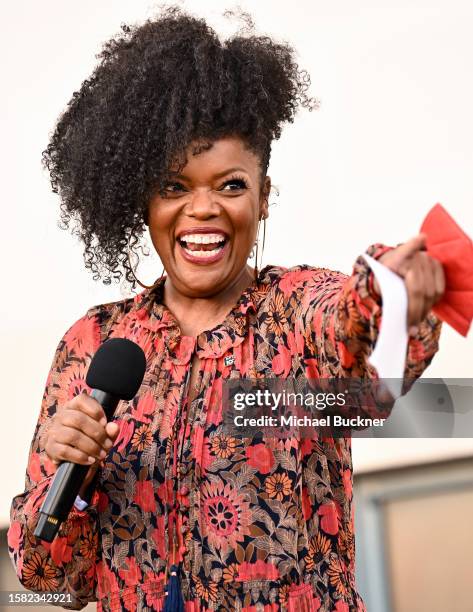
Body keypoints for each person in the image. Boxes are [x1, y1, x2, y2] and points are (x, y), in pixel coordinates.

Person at [8, 6, 445, 611]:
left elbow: (357, 331)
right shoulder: (93, 344)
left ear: (263, 197)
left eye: (231, 184)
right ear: (142, 203)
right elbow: (50, 578)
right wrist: (70, 480)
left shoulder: (295, 312)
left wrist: (393, 291)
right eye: (174, 187)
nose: (203, 208)